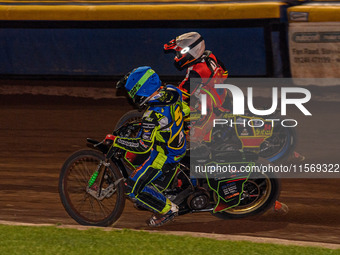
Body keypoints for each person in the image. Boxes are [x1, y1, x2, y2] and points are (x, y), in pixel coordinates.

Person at [111, 66, 188, 227]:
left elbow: (142, 146)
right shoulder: (173, 91)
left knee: (131, 188)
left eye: (132, 92)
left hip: (163, 156)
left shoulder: (151, 115)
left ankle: (167, 210)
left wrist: (116, 140)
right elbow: (184, 110)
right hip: (179, 143)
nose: (132, 96)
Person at [164, 31, 229, 142]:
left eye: (179, 53)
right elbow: (225, 73)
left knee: (194, 138)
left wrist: (166, 94)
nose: (177, 56)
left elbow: (183, 92)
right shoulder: (209, 56)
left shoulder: (198, 71)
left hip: (213, 109)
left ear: (192, 51)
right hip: (222, 97)